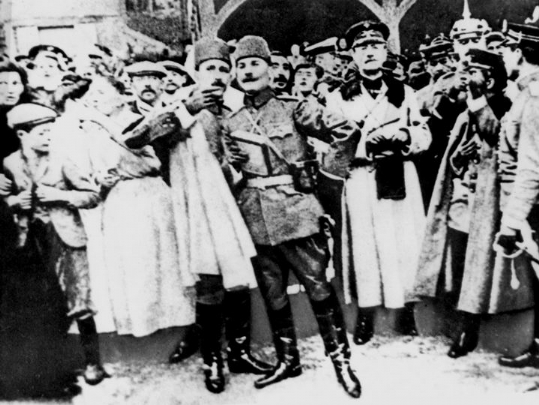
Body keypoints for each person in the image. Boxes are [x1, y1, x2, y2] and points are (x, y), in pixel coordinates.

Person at [222, 35, 361, 398]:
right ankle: (288, 360)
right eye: (241, 65)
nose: (247, 71)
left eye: (255, 63)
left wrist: (326, 179)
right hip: (254, 216)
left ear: (270, 69)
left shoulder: (294, 108)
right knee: (273, 292)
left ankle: (341, 362)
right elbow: (229, 170)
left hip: (297, 212)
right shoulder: (231, 120)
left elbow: (347, 131)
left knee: (318, 287)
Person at [123, 52, 265, 394]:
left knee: (239, 280)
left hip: (235, 203)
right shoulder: (176, 105)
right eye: (209, 69)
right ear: (195, 73)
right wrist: (186, 108)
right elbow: (135, 138)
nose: (217, 75)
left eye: (223, 69)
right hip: (198, 207)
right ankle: (212, 361)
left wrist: (235, 162)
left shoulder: (234, 108)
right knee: (209, 282)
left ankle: (239, 353)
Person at [296, 20, 431, 345]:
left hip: (399, 173)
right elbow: (326, 144)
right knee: (365, 246)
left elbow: (424, 133)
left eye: (376, 46)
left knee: (403, 241)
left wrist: (404, 134)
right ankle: (366, 313)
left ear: (385, 51)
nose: (370, 52)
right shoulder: (338, 96)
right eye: (362, 47)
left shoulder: (404, 92)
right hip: (360, 178)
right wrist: (363, 145)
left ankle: (406, 310)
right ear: (353, 55)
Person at [414, 48, 533, 359]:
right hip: (461, 203)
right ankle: (460, 323)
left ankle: (470, 329)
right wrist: (459, 156)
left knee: (479, 267)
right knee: (458, 264)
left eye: (473, 72)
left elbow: (496, 135)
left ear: (490, 79)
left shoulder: (507, 107)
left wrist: (478, 102)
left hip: (489, 205)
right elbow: (453, 160)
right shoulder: (464, 112)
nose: (464, 78)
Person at [2, 103, 107, 387]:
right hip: (30, 239)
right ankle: (48, 365)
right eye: (42, 133)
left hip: (67, 239)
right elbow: (4, 196)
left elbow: (92, 195)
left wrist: (62, 196)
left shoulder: (62, 160)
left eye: (51, 131)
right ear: (22, 135)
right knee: (42, 301)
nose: (48, 137)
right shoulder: (10, 163)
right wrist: (14, 201)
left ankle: (93, 362)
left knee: (79, 299)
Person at [494, 14, 539, 369]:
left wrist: (510, 223)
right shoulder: (526, 94)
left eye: (507, 49)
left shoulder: (534, 100)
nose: (502, 56)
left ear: (521, 53)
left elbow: (532, 168)